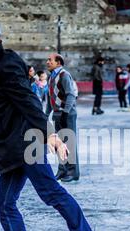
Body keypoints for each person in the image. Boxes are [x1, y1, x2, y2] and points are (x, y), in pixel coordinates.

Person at [0, 20, 109, 231]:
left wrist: (52, 135)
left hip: (26, 142)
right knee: (6, 205)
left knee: (51, 193)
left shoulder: (6, 64)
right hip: (13, 146)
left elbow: (29, 101)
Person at [45, 53, 80, 183]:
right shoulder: (51, 77)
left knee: (69, 142)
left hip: (67, 114)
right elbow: (50, 98)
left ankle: (73, 172)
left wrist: (65, 112)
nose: (47, 62)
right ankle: (62, 169)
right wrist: (46, 114)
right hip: (57, 114)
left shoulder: (64, 75)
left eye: (50, 60)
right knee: (59, 143)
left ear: (58, 63)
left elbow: (71, 95)